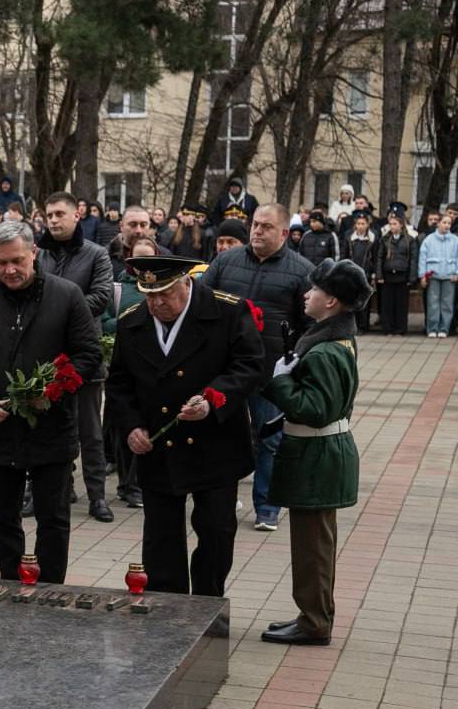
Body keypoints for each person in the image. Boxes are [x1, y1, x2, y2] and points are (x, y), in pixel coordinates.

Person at [105, 256, 263, 596]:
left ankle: (208, 603)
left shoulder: (227, 312)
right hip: (159, 447)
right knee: (161, 536)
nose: (156, 303)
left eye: (164, 293)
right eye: (148, 295)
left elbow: (248, 367)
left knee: (216, 532)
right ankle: (168, 607)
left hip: (215, 445)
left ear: (186, 282)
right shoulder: (133, 321)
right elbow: (118, 383)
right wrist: (132, 426)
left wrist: (213, 399)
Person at [0, 221, 100, 582]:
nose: (10, 270)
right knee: (2, 519)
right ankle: (10, 582)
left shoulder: (66, 296)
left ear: (34, 253)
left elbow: (88, 355)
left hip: (52, 426)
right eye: (1, 263)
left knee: (53, 519)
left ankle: (51, 588)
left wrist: (50, 392)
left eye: (17, 261)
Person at [260, 258, 370, 646]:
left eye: (315, 290)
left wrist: (280, 382)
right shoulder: (332, 339)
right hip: (319, 453)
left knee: (313, 549)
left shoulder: (326, 351)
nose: (307, 294)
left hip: (318, 454)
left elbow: (314, 408)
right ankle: (313, 615)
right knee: (314, 544)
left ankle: (314, 621)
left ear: (332, 302)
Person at [200, 203, 312, 531]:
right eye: (255, 225)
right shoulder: (225, 261)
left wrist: (294, 361)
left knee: (270, 439)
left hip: (270, 371)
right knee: (225, 436)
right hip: (227, 370)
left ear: (283, 233)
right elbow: (203, 305)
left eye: (265, 227)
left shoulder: (301, 270)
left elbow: (308, 324)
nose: (257, 231)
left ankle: (267, 506)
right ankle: (222, 499)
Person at [39, 192, 115, 522]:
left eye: (59, 214)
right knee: (51, 428)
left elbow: (100, 297)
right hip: (45, 356)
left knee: (90, 432)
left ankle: (97, 496)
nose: (53, 220)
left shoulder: (97, 255)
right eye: (48, 215)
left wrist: (58, 312)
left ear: (76, 215)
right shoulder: (38, 254)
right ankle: (59, 488)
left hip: (84, 355)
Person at [102, 235, 160, 509]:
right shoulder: (117, 289)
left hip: (154, 368)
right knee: (123, 426)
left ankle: (138, 483)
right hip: (122, 366)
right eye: (139, 259)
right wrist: (130, 321)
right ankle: (126, 483)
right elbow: (104, 322)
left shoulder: (163, 287)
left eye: (150, 258)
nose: (144, 265)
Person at [418, 213, 458, 338]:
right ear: (438, 223)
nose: (447, 225)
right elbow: (422, 258)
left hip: (449, 276)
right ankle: (432, 328)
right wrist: (422, 275)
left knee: (447, 303)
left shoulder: (456, 240)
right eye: (444, 223)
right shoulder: (429, 240)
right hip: (433, 276)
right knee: (433, 303)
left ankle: (444, 328)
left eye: (449, 223)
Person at [374, 210, 415, 335]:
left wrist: (411, 277)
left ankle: (400, 329)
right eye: (390, 224)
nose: (392, 226)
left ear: (401, 225)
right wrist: (379, 275)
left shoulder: (409, 240)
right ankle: (388, 328)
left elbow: (413, 259)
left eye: (395, 224)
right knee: (387, 304)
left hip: (402, 275)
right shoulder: (385, 239)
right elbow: (379, 258)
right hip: (388, 275)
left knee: (401, 304)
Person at [340, 210, 379, 333]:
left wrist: (374, 274)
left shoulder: (372, 238)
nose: (360, 226)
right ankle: (353, 326)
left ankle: (363, 326)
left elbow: (376, 256)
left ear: (367, 225)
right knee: (352, 301)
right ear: (355, 225)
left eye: (363, 224)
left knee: (364, 302)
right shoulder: (349, 237)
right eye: (358, 224)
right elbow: (344, 255)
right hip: (352, 274)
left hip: (366, 274)